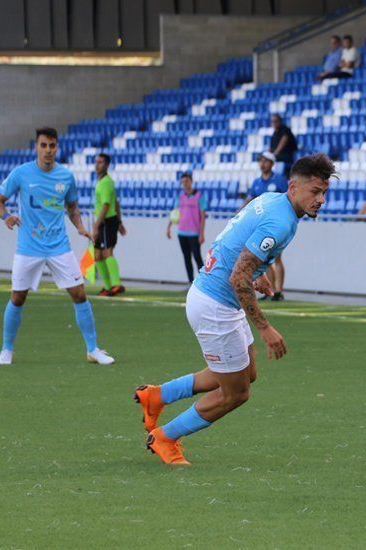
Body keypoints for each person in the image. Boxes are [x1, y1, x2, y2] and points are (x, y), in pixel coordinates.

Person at [135, 154, 335, 465]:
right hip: (215, 306)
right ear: (294, 187)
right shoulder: (280, 221)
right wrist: (266, 329)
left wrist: (259, 274)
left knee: (246, 374)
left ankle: (157, 396)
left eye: (324, 192)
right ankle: (165, 437)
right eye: (315, 191)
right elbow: (238, 275)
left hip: (213, 296)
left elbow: (233, 243)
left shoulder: (272, 200)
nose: (320, 199)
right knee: (236, 393)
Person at [0, 127, 114, 366]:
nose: (48, 150)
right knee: (18, 297)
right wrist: (5, 216)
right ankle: (6, 349)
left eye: (52, 146)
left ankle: (93, 349)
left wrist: (79, 226)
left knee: (79, 294)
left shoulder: (66, 177)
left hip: (59, 246)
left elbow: (72, 207)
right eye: (43, 145)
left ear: (57, 147)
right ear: (36, 147)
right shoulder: (21, 173)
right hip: (28, 246)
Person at [246, 152, 289, 301]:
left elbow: (287, 199)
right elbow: (249, 200)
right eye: (261, 161)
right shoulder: (257, 182)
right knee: (264, 259)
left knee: (277, 257)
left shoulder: (279, 180)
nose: (262, 164)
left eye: (265, 161)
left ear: (272, 163)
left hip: (276, 224)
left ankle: (279, 291)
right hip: (260, 225)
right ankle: (270, 291)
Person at [92, 153, 126, 297]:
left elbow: (106, 206)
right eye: (96, 162)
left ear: (106, 165)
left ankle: (116, 284)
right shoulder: (102, 181)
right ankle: (107, 287)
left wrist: (96, 226)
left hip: (106, 222)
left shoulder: (106, 182)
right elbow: (116, 202)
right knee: (97, 255)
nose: (97, 165)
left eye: (100, 162)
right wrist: (120, 222)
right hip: (106, 222)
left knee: (107, 252)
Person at [167, 173, 207, 284]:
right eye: (182, 182)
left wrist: (202, 234)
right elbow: (174, 213)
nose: (184, 184)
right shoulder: (180, 196)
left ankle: (204, 282)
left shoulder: (199, 196)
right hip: (182, 232)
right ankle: (191, 282)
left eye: (186, 181)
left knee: (197, 257)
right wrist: (169, 227)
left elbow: (203, 216)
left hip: (194, 233)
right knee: (186, 258)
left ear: (191, 181)